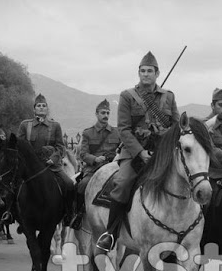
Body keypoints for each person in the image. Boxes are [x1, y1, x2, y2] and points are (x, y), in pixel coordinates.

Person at [97, 51, 180, 251]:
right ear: (139, 73)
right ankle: (111, 233)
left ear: (157, 73)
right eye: (142, 71)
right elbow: (123, 129)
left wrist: (165, 132)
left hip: (161, 154)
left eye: (149, 71)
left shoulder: (168, 97)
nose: (145, 74)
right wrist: (140, 152)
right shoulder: (128, 96)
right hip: (134, 154)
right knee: (123, 183)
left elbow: (176, 126)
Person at [17, 93, 74, 223]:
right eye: (38, 105)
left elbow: (60, 146)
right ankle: (11, 213)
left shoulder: (55, 126)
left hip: (51, 166)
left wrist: (53, 159)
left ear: (47, 109)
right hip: (30, 168)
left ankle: (68, 215)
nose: (41, 108)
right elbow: (19, 146)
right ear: (34, 109)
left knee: (69, 185)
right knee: (13, 186)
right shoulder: (25, 125)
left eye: (44, 106)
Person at [72, 99, 121, 230]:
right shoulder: (88, 133)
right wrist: (95, 159)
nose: (105, 115)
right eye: (103, 113)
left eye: (108, 113)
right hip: (94, 169)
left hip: (113, 168)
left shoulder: (117, 132)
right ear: (96, 114)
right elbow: (83, 154)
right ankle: (78, 213)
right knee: (81, 185)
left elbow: (122, 150)